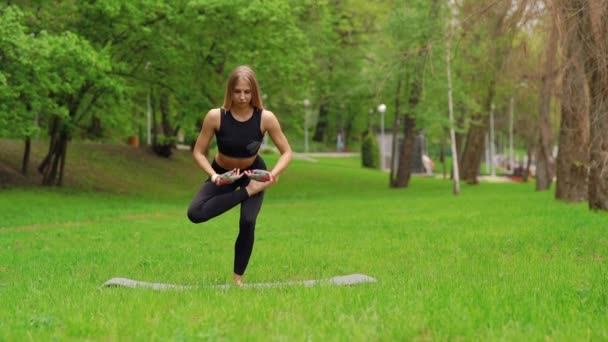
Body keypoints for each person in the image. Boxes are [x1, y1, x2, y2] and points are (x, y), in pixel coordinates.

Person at [187, 65, 292, 287]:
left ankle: (238, 279)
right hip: (224, 173)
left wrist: (272, 175)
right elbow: (198, 152)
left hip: (253, 173)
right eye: (237, 92)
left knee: (247, 221)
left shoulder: (266, 118)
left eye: (247, 91)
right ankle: (247, 192)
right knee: (195, 213)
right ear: (230, 92)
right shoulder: (216, 117)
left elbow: (287, 152)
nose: (243, 97)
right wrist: (214, 175)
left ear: (254, 92)